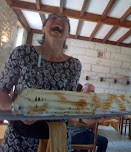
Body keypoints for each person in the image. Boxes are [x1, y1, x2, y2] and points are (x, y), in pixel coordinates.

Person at [0, 12, 82, 152]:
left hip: (55, 141)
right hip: (19, 140)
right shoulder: (22, 53)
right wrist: (17, 109)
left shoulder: (74, 66)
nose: (58, 19)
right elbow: (2, 90)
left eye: (64, 20)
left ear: (68, 33)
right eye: (53, 17)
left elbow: (68, 105)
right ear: (43, 28)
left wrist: (88, 117)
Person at [70, 83, 108, 152]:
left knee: (88, 135)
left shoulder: (73, 101)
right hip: (77, 135)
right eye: (90, 91)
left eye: (93, 92)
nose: (92, 94)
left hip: (68, 134)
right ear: (82, 90)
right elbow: (90, 124)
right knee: (104, 141)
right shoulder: (86, 105)